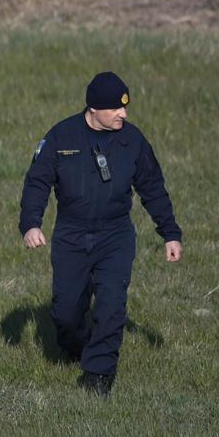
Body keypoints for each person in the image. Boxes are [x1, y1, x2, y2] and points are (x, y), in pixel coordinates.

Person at [19, 72, 181, 395]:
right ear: (93, 109)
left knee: (110, 304)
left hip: (115, 236)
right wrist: (31, 224)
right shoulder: (61, 138)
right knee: (66, 313)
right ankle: (75, 347)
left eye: (126, 107)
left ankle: (99, 375)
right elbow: (37, 181)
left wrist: (170, 233)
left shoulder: (132, 141)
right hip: (71, 235)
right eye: (116, 109)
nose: (124, 114)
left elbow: (153, 188)